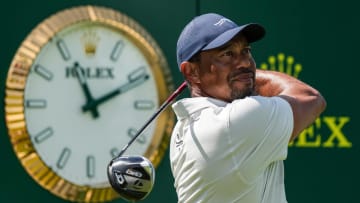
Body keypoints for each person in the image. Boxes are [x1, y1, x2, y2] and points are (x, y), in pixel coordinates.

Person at [169, 13, 326, 203]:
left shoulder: (184, 128)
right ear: (192, 72)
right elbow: (310, 98)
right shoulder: (234, 122)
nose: (244, 62)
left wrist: (238, 75)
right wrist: (245, 76)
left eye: (246, 51)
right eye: (227, 54)